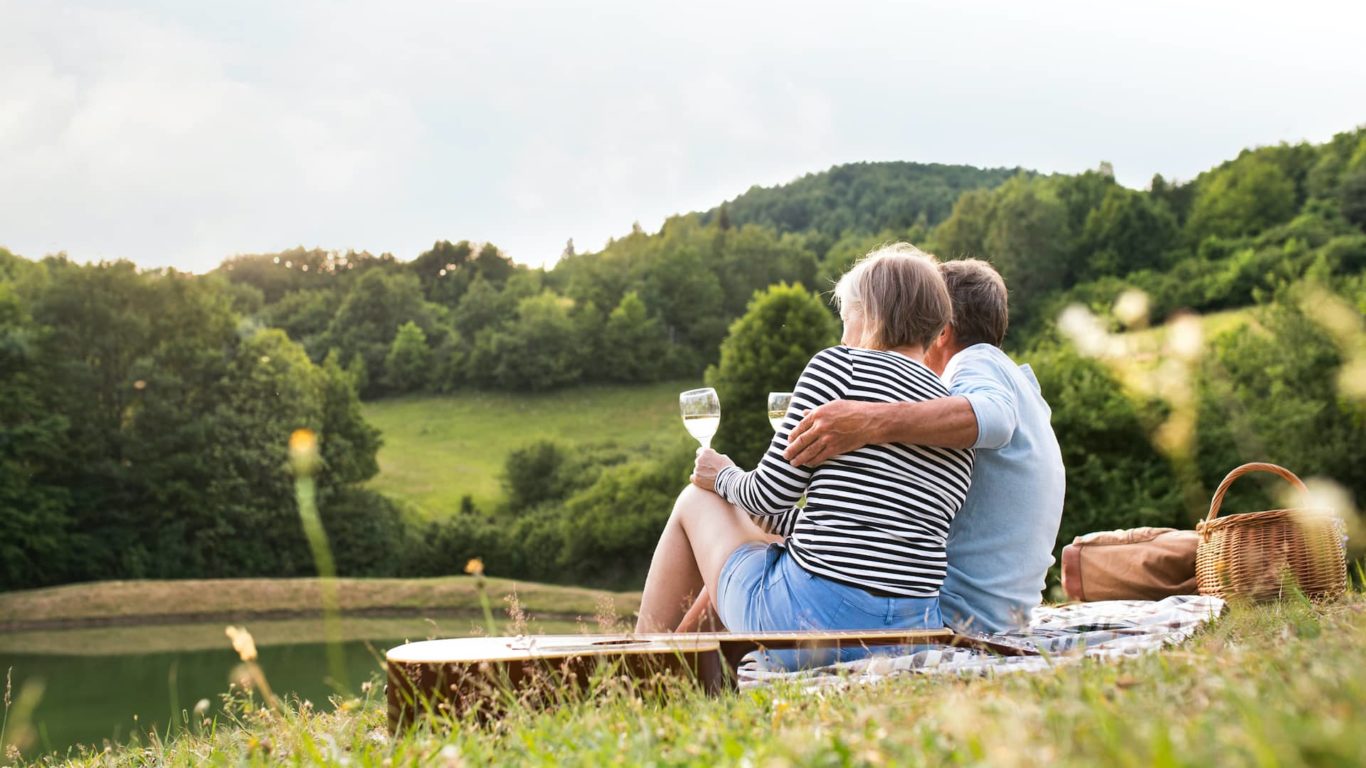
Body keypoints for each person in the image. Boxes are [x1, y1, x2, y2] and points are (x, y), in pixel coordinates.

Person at [634, 244, 974, 639]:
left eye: (847, 318)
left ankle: (639, 661)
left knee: (696, 500)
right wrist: (769, 516)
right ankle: (683, 671)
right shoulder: (950, 412)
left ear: (870, 314)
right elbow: (879, 530)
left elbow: (766, 496)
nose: (844, 334)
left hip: (812, 622)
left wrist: (721, 475)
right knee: (763, 536)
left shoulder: (839, 366)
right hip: (911, 630)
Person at [784, 258, 1065, 634]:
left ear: (943, 332)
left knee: (760, 531)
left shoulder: (973, 364)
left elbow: (994, 418)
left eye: (921, 326)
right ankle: (687, 663)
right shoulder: (1018, 383)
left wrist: (870, 421)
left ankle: (687, 664)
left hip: (957, 615)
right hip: (1000, 614)